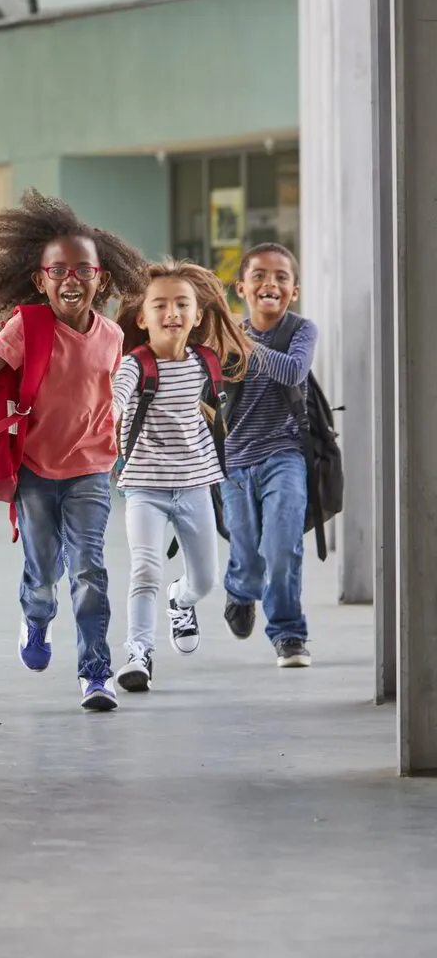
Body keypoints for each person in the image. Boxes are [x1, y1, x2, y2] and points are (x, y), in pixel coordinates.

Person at [0, 190, 148, 711]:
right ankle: (36, 618)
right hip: (36, 470)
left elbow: (112, 395)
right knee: (43, 572)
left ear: (101, 279)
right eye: (58, 270)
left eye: (83, 269)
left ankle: (95, 673)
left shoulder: (112, 336)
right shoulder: (28, 326)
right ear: (41, 279)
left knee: (90, 568)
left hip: (91, 469)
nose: (71, 279)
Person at [110, 261, 251, 692]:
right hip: (144, 487)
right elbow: (117, 394)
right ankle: (138, 653)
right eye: (160, 304)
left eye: (181, 304)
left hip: (194, 485)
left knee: (205, 580)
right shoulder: (136, 365)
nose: (171, 311)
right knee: (144, 570)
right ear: (142, 317)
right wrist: (108, 416)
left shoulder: (205, 362)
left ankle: (180, 599)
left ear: (197, 315)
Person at [221, 243, 317, 668]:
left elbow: (294, 371)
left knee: (282, 546)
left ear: (293, 290)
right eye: (259, 275)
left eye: (281, 277)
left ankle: (289, 633)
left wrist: (245, 344)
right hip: (235, 459)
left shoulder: (301, 331)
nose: (270, 283)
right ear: (242, 287)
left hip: (285, 454)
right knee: (245, 548)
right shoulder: (224, 336)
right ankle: (241, 590)